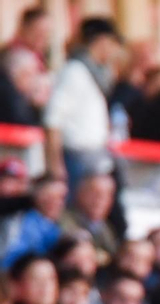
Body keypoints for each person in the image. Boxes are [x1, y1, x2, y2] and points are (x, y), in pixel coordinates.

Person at [43, 17, 120, 193]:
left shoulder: (93, 72)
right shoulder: (75, 71)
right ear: (102, 40)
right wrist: (55, 164)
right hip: (76, 156)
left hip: (94, 155)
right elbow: (53, 119)